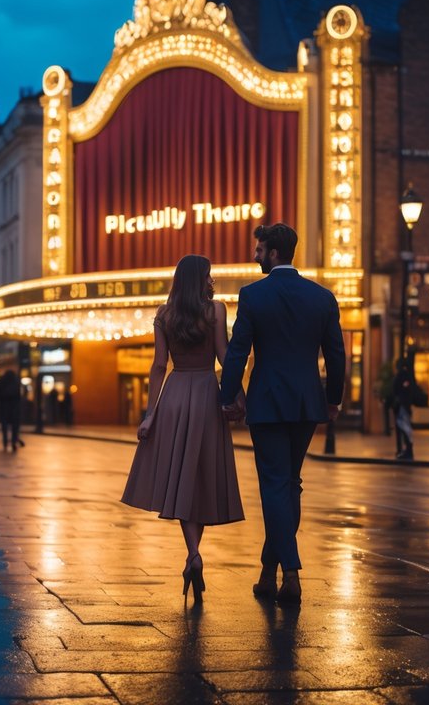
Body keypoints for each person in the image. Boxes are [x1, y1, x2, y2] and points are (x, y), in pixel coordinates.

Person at [220, 223, 345, 607]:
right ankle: (266, 572)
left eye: (259, 250)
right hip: (307, 401)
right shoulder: (322, 297)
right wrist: (334, 399)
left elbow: (238, 351)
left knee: (275, 485)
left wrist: (227, 397)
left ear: (273, 253)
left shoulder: (253, 296)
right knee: (290, 484)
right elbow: (336, 354)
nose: (255, 256)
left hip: (268, 403)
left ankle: (290, 572)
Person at [122, 255, 244, 605]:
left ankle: (193, 554)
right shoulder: (216, 311)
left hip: (174, 397)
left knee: (181, 478)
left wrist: (149, 415)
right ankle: (194, 553)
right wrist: (239, 396)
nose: (212, 278)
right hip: (207, 393)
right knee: (201, 476)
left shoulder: (164, 314)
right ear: (201, 278)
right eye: (209, 273)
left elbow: (159, 365)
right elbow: (224, 356)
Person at [391, 359, 417, 460]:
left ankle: (407, 451)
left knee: (404, 429)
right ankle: (407, 450)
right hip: (405, 406)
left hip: (402, 407)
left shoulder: (401, 376)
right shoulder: (408, 376)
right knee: (405, 429)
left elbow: (395, 389)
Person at [0, 370, 23, 450]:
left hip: (4, 407)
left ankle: (5, 442)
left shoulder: (1, 381)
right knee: (15, 426)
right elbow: (18, 395)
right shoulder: (15, 381)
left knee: (4, 426)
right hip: (14, 407)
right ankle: (14, 442)